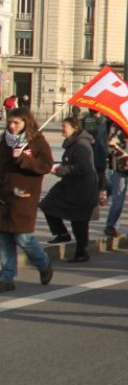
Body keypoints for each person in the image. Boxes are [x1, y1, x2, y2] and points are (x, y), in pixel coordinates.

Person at [0, 108, 55, 291]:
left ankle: (43, 263)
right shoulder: (4, 140)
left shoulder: (37, 142)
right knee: (4, 238)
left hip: (24, 196)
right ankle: (7, 277)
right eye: (10, 122)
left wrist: (23, 158)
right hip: (4, 196)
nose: (12, 126)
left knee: (22, 237)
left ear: (26, 123)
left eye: (16, 123)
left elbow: (46, 166)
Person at [41, 116, 99, 263]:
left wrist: (63, 169)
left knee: (79, 221)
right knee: (47, 204)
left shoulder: (81, 145)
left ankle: (82, 253)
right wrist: (60, 168)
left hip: (81, 189)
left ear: (75, 128)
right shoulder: (73, 143)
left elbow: (83, 167)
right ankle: (62, 234)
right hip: (70, 185)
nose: (62, 129)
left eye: (64, 126)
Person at [102, 124, 128, 249]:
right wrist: (125, 157)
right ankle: (111, 225)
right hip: (120, 168)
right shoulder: (118, 126)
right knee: (118, 200)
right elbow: (111, 143)